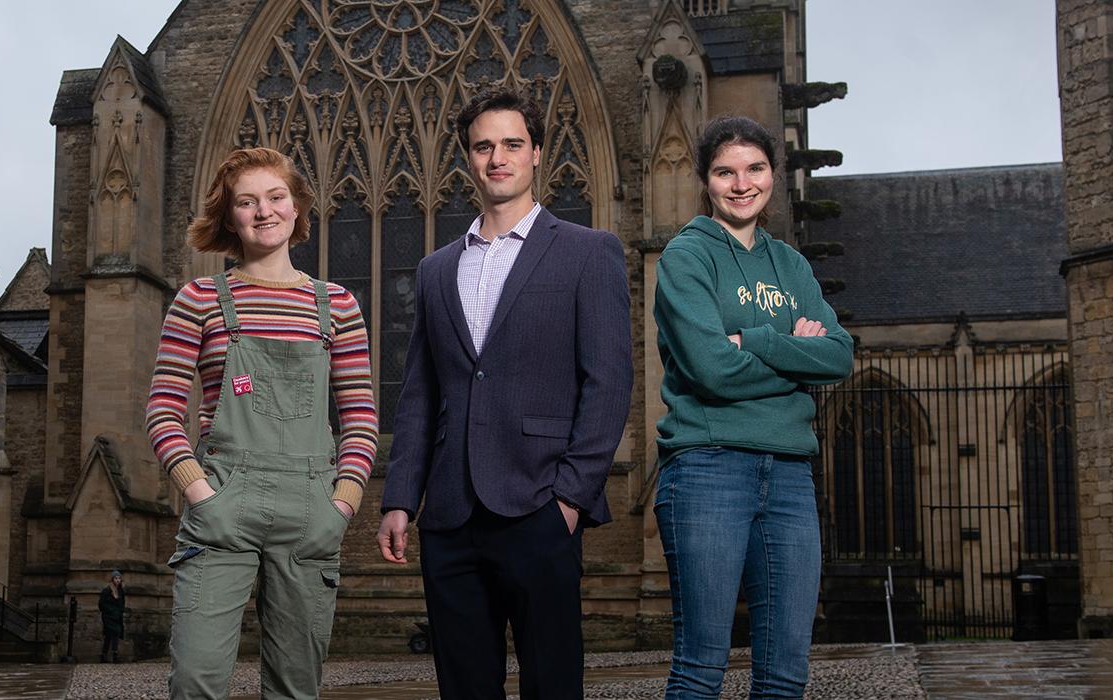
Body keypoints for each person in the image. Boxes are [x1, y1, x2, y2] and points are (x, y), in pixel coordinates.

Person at [377, 85, 633, 700]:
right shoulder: (436, 269)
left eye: (512, 144)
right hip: (450, 512)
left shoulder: (588, 252)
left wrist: (571, 496)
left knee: (551, 687)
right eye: (483, 146)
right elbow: (419, 394)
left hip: (541, 505)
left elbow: (608, 382)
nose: (498, 158)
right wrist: (399, 499)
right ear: (468, 158)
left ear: (537, 153)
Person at [144, 146, 377, 699]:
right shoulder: (198, 299)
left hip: (310, 512)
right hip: (222, 506)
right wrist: (199, 494)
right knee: (196, 681)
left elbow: (362, 418)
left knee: (295, 689)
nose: (264, 211)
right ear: (229, 218)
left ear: (298, 208)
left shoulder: (337, 306)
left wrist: (340, 505)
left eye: (276, 197)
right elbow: (161, 410)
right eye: (246, 202)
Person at [651, 115, 854, 698]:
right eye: (725, 172)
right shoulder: (686, 257)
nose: (742, 184)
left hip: (789, 475)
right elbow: (710, 370)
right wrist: (795, 357)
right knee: (700, 668)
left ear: (774, 176)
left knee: (786, 674)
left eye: (755, 169)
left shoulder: (791, 265)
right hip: (707, 467)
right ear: (706, 180)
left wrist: (757, 342)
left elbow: (839, 356)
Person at [98, 570, 126, 663]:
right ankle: (110, 655)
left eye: (119, 578)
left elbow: (122, 603)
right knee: (111, 634)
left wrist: (120, 611)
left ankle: (108, 655)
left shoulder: (121, 591)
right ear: (112, 579)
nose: (118, 580)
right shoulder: (107, 590)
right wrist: (110, 611)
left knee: (113, 635)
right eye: (116, 578)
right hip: (108, 617)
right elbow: (101, 604)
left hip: (117, 617)